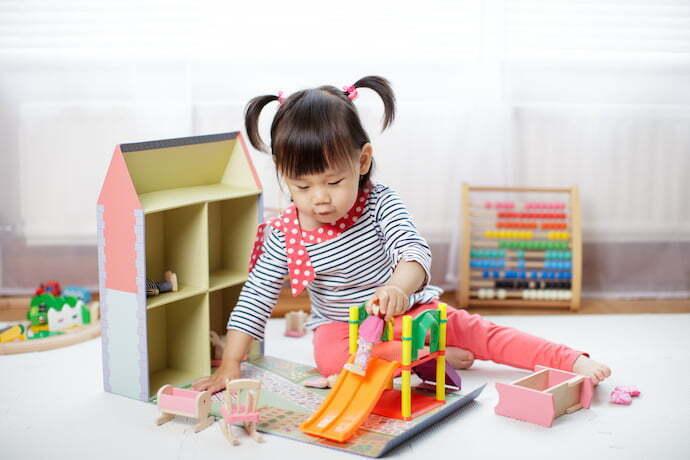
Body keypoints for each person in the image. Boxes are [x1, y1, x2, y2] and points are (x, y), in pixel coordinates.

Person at [192, 76, 611, 394]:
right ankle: (424, 358)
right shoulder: (285, 231)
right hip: (343, 328)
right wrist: (231, 364)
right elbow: (257, 296)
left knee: (479, 331)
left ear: (362, 161)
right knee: (331, 360)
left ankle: (567, 359)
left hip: (406, 311)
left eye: (333, 182)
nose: (319, 199)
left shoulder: (379, 203)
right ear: (284, 177)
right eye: (301, 187)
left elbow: (413, 252)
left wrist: (397, 288)